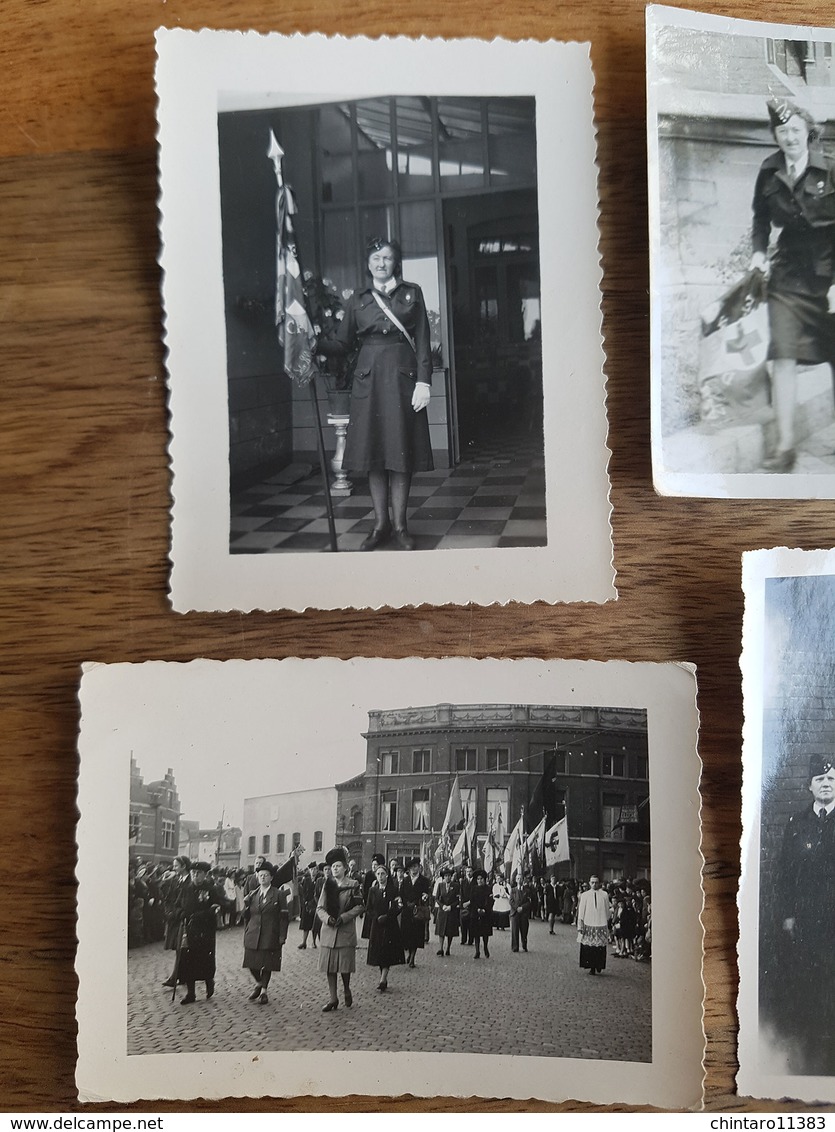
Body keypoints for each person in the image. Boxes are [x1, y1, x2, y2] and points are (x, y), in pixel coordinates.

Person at [319, 237, 433, 551]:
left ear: (395, 262)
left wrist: (424, 382)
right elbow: (343, 345)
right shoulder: (358, 298)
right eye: (375, 259)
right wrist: (312, 341)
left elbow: (423, 340)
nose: (380, 263)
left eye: (386, 258)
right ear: (368, 264)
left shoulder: (412, 293)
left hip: (402, 382)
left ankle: (400, 526)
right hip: (367, 384)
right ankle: (380, 525)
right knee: (374, 457)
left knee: (400, 454)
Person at [750, 97, 835, 472]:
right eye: (782, 132)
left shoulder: (830, 169)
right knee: (782, 355)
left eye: (796, 131)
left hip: (828, 275)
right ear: (776, 136)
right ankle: (785, 447)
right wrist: (757, 254)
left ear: (808, 133)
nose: (789, 138)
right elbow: (759, 220)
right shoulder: (769, 172)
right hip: (786, 276)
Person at [770, 755, 835, 1073]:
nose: (826, 784)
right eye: (821, 780)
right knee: (808, 983)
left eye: (832, 779)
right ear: (810, 786)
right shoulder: (798, 824)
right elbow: (785, 873)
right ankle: (810, 1052)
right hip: (807, 922)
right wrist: (788, 915)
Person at [316, 846, 364, 1012]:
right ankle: (333, 998)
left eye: (338, 866)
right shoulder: (327, 885)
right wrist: (327, 919)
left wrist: (343, 918)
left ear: (345, 868)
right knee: (329, 966)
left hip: (344, 931)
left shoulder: (353, 884)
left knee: (344, 966)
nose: (334, 869)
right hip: (328, 931)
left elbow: (359, 907)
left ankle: (347, 988)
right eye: (332, 867)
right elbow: (320, 908)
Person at [173, 861, 225, 1004]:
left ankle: (209, 980)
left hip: (205, 930)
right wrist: (180, 913)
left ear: (205, 874)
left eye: (199, 873)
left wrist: (204, 914)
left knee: (205, 959)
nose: (195, 875)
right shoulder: (185, 888)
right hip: (189, 929)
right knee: (188, 960)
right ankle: (191, 993)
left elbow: (216, 907)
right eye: (193, 873)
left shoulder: (211, 889)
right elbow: (176, 906)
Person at [242, 862, 289, 1004]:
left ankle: (264, 991)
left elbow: (284, 918)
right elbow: (246, 915)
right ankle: (259, 982)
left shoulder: (278, 894)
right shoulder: (252, 894)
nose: (262, 878)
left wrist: (282, 936)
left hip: (270, 933)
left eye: (266, 875)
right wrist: (246, 929)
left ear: (271, 877)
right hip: (253, 933)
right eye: (260, 875)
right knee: (250, 962)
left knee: (267, 963)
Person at [365, 863, 405, 991]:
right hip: (377, 926)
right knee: (378, 951)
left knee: (387, 950)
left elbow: (399, 906)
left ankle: (383, 978)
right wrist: (376, 917)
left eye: (383, 874)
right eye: (378, 874)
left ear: (387, 875)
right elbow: (369, 908)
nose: (380, 877)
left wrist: (388, 916)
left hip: (389, 925)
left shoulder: (393, 890)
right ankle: (383, 976)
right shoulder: (373, 890)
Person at [401, 857, 432, 968]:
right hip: (407, 911)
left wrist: (424, 897)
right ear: (409, 869)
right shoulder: (405, 880)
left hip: (418, 911)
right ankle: (409, 953)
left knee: (416, 936)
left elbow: (426, 894)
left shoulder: (424, 880)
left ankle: (412, 958)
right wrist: (406, 903)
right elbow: (401, 894)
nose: (414, 869)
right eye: (412, 867)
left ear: (419, 867)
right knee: (407, 935)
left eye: (416, 867)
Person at [576, 875, 611, 976]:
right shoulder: (585, 895)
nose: (594, 884)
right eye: (592, 882)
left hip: (601, 923)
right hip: (589, 923)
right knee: (590, 948)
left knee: (600, 947)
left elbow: (607, 909)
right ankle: (592, 967)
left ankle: (599, 965)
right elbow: (581, 911)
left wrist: (607, 921)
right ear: (589, 883)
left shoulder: (604, 894)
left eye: (596, 882)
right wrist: (580, 925)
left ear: (599, 883)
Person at [433, 866, 460, 957]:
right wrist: (442, 905)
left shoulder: (455, 886)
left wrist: (451, 907)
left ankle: (448, 947)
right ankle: (441, 948)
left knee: (450, 931)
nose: (447, 877)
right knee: (441, 931)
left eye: (449, 876)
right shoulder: (440, 885)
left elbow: (457, 899)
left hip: (451, 911)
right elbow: (437, 898)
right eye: (446, 876)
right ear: (443, 877)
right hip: (442, 911)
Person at [470, 870, 494, 959]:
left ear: (484, 880)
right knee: (476, 933)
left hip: (486, 913)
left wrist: (485, 909)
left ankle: (485, 947)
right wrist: (477, 909)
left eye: (481, 879)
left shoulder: (488, 888)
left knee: (485, 932)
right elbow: (472, 901)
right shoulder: (474, 888)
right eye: (478, 879)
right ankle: (477, 951)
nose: (479, 881)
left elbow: (490, 901)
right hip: (475, 913)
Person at [509, 872, 533, 953]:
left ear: (523, 880)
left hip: (523, 913)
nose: (519, 880)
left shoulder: (527, 890)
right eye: (518, 878)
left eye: (521, 878)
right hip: (515, 913)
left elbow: (529, 902)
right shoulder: (513, 890)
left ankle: (524, 944)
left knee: (524, 929)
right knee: (514, 930)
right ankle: (515, 947)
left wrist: (522, 907)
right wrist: (517, 908)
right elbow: (511, 901)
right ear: (516, 880)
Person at [297, 861, 318, 949]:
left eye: (314, 869)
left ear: (317, 870)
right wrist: (305, 902)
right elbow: (302, 892)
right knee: (306, 925)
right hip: (307, 905)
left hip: (316, 905)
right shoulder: (306, 880)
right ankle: (304, 942)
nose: (313, 871)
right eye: (311, 869)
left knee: (314, 925)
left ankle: (314, 942)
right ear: (309, 871)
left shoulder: (319, 880)